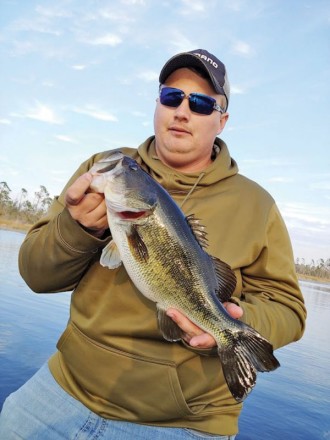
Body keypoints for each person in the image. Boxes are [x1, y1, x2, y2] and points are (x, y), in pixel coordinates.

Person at [0, 49, 306, 439]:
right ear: (158, 104)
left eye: (200, 103)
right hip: (63, 389)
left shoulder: (256, 204)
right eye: (170, 97)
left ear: (221, 121)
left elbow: (289, 308)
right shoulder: (107, 167)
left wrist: (235, 321)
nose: (182, 111)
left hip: (183, 424)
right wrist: (77, 228)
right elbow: (36, 277)